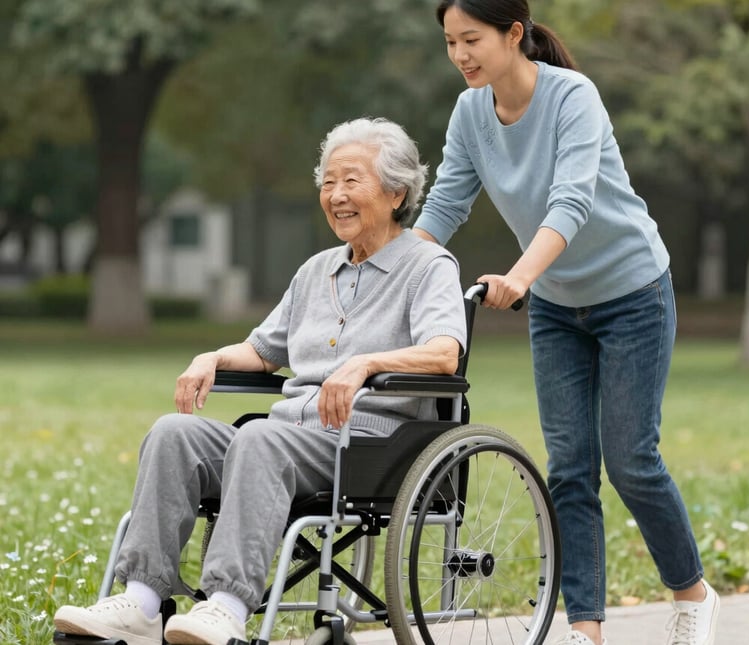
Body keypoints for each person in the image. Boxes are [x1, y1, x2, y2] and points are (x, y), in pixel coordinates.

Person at [53, 117, 467, 645]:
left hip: (365, 446)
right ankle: (142, 600)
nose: (336, 195)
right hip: (282, 438)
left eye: (351, 181)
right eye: (328, 182)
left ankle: (225, 605)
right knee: (172, 433)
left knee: (260, 438)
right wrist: (211, 356)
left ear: (396, 192)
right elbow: (263, 350)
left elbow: (444, 354)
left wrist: (365, 364)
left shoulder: (429, 266)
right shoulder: (315, 271)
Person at [411, 2, 720, 645]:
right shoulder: (471, 112)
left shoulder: (572, 96)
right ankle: (586, 628)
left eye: (472, 39)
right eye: (450, 42)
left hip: (633, 291)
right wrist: (401, 276)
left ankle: (692, 594)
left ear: (513, 34)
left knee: (632, 460)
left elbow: (572, 198)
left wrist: (520, 277)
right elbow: (446, 202)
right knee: (570, 468)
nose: (460, 55)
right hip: (556, 308)